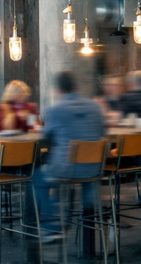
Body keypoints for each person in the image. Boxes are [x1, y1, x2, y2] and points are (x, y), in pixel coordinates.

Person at [32, 71, 105, 235]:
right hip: (95, 169)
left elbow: (46, 136)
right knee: (65, 167)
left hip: (67, 170)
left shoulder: (55, 109)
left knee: (37, 176)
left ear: (58, 90)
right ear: (76, 86)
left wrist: (41, 128)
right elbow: (102, 131)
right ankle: (87, 197)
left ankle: (51, 225)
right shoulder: (95, 106)